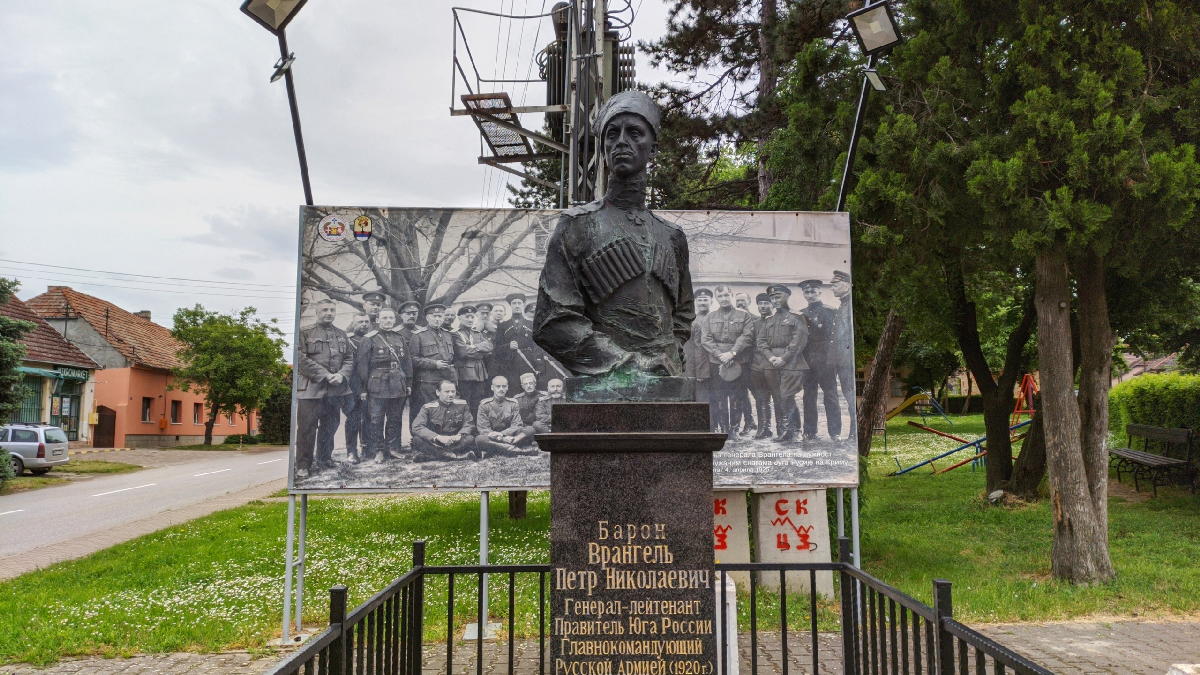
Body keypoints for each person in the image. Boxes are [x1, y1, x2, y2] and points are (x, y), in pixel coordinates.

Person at [533, 90, 695, 376]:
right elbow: (554, 322)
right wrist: (628, 365)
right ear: (604, 148)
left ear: (653, 148)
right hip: (610, 378)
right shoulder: (576, 225)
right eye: (612, 134)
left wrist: (669, 355)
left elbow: (682, 315)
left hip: (668, 380)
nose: (622, 142)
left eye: (634, 132)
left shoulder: (671, 236)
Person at [296, 299, 353, 476]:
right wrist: (325, 375)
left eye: (332, 310)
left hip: (335, 391)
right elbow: (300, 358)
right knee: (307, 428)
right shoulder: (304, 332)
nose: (329, 313)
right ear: (317, 312)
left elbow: (350, 359)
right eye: (325, 310)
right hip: (311, 390)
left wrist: (342, 375)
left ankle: (325, 458)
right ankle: (303, 465)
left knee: (330, 426)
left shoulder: (342, 334)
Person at [353, 307, 411, 461]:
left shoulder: (400, 338)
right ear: (377, 320)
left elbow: (407, 363)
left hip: (398, 383)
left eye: (391, 318)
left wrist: (408, 383)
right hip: (377, 384)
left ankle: (393, 448)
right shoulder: (369, 339)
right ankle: (378, 450)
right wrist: (363, 389)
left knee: (395, 418)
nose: (388, 321)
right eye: (384, 318)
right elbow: (362, 366)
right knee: (376, 419)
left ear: (394, 320)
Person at [701, 285, 755, 434]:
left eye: (726, 295)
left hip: (738, 361)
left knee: (737, 397)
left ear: (731, 295)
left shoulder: (744, 316)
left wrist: (732, 353)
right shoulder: (709, 317)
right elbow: (706, 339)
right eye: (720, 296)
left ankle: (734, 430)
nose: (723, 299)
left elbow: (747, 336)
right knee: (719, 397)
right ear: (716, 298)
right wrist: (720, 355)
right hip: (717, 362)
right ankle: (724, 428)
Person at [759, 284, 808, 443]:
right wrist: (771, 357)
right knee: (778, 397)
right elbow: (761, 341)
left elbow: (798, 341)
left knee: (787, 396)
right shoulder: (769, 320)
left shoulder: (797, 317)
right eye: (772, 298)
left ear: (787, 296)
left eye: (778, 296)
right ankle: (787, 431)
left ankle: (795, 430)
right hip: (771, 363)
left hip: (792, 363)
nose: (775, 300)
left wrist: (783, 358)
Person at [799, 279, 840, 440]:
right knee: (808, 396)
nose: (810, 295)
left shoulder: (830, 311)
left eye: (813, 291)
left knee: (830, 395)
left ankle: (835, 432)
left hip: (826, 359)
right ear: (803, 294)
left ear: (820, 292)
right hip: (807, 360)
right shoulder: (800, 313)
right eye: (807, 292)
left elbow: (835, 337)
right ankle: (809, 431)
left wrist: (832, 359)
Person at [409, 304, 456, 423]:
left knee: (444, 410)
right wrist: (434, 364)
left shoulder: (447, 334)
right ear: (427, 318)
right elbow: (413, 359)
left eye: (440, 316)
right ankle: (420, 439)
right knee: (427, 410)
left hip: (446, 379)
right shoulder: (418, 335)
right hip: (427, 381)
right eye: (434, 316)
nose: (437, 319)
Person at [411, 380, 476, 461]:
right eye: (447, 392)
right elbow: (416, 426)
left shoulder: (462, 405)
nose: (451, 394)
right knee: (417, 440)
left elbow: (469, 423)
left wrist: (459, 436)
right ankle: (454, 456)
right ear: (438, 392)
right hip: (436, 442)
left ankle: (434, 456)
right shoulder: (428, 407)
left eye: (453, 391)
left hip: (455, 441)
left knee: (470, 439)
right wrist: (437, 437)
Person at [475, 376, 536, 458]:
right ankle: (514, 450)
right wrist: (502, 438)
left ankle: (499, 449)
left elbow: (517, 424)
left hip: (511, 437)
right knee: (480, 439)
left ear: (507, 388)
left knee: (530, 429)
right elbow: (483, 428)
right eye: (498, 386)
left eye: (504, 386)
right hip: (493, 437)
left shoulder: (513, 403)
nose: (501, 389)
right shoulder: (484, 405)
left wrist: (503, 435)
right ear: (492, 388)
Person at [342, 313, 372, 462]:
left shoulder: (372, 339)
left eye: (367, 321)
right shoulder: (348, 341)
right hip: (352, 387)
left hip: (370, 385)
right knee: (353, 418)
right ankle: (351, 451)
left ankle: (367, 448)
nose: (364, 324)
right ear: (353, 323)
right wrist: (359, 388)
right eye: (360, 322)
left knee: (369, 418)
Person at [453, 305, 493, 415]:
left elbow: (489, 347)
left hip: (480, 372)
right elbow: (463, 352)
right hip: (464, 373)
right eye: (467, 317)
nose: (470, 319)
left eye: (472, 317)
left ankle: (476, 428)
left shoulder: (477, 333)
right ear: (459, 318)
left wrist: (473, 347)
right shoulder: (455, 333)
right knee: (465, 401)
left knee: (478, 401)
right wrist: (480, 348)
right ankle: (467, 428)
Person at [496, 292, 541, 386]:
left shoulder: (531, 324)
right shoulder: (502, 325)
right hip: (510, 364)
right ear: (510, 305)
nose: (517, 306)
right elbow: (497, 348)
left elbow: (538, 346)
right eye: (514, 303)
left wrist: (536, 362)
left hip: (528, 362)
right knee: (513, 389)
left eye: (519, 303)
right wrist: (508, 346)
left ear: (523, 305)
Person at [749, 294, 777, 440]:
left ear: (772, 305)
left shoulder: (778, 321)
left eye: (767, 303)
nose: (763, 306)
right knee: (761, 398)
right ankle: (763, 428)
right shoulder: (754, 323)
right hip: (757, 366)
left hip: (774, 366)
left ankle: (785, 429)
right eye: (760, 303)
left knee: (779, 398)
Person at [830, 270, 856, 432]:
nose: (832, 288)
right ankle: (854, 432)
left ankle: (854, 432)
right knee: (849, 396)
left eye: (836, 284)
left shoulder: (849, 306)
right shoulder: (843, 305)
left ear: (846, 285)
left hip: (847, 359)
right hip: (842, 359)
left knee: (851, 396)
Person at [684, 288, 713, 410]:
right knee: (695, 396)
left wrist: (702, 371)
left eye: (705, 300)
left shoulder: (715, 317)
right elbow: (696, 347)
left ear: (711, 301)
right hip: (692, 365)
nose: (702, 302)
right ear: (695, 302)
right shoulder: (692, 320)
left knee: (712, 397)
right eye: (699, 300)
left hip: (711, 365)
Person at [513, 372, 545, 438]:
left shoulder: (544, 396)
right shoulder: (517, 399)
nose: (528, 386)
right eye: (525, 384)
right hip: (526, 428)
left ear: (535, 384)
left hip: (541, 427)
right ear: (522, 386)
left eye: (531, 383)